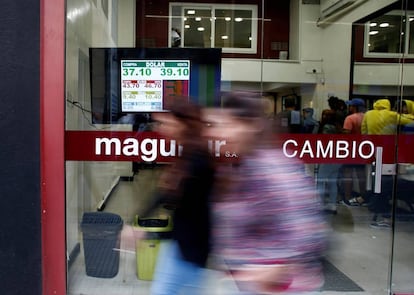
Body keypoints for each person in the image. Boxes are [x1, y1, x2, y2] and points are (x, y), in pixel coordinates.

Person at [205, 92, 328, 294]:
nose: (219, 133)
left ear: (252, 126)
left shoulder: (274, 169)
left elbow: (308, 232)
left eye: (229, 125)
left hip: (283, 288)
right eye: (218, 125)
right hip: (247, 283)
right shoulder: (238, 166)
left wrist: (278, 268)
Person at [140, 98, 216, 294]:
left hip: (190, 254)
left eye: (165, 123)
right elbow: (167, 196)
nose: (160, 129)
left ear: (182, 124)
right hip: (180, 249)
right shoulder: (188, 155)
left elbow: (195, 221)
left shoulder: (198, 162)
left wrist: (149, 233)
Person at [339, 98, 367, 206]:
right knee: (361, 175)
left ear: (354, 107)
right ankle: (363, 198)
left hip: (351, 149)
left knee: (348, 174)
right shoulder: (366, 117)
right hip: (363, 149)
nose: (349, 107)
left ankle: (348, 198)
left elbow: (346, 134)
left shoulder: (350, 118)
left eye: (351, 106)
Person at [317, 110, 342, 214]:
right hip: (337, 158)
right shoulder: (338, 127)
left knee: (320, 181)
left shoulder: (326, 127)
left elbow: (324, 141)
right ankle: (332, 204)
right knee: (333, 182)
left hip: (328, 158)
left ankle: (320, 203)